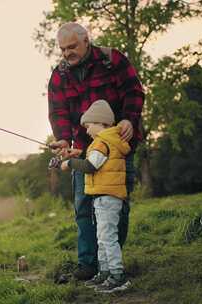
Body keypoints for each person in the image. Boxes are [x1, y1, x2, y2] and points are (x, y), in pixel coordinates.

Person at [47, 22, 144, 281]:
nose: (67, 53)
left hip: (117, 148)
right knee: (83, 206)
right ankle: (89, 264)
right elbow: (58, 112)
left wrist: (129, 119)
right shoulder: (60, 75)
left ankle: (112, 262)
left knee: (116, 205)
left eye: (72, 47)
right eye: (63, 49)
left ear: (86, 41)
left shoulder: (112, 60)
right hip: (82, 150)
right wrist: (63, 140)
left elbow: (133, 91)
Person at [60, 100, 131, 292]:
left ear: (102, 123)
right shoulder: (106, 142)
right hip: (104, 197)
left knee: (107, 237)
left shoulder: (101, 142)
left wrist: (70, 163)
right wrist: (81, 154)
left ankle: (118, 276)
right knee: (102, 237)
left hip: (107, 197)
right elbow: (98, 161)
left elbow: (91, 166)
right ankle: (105, 273)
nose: (86, 130)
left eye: (88, 125)